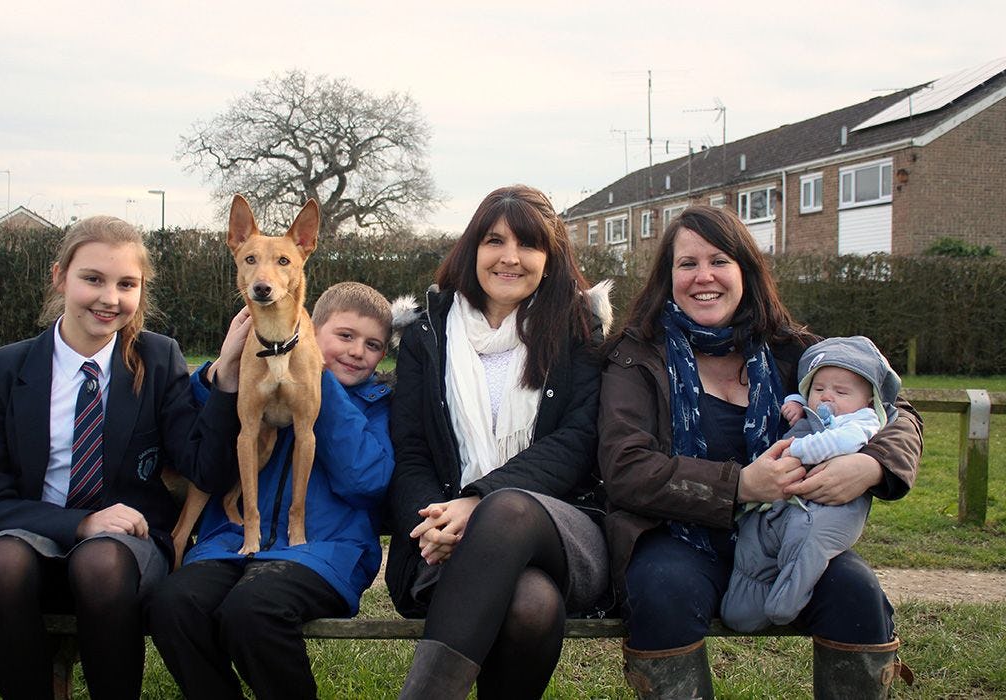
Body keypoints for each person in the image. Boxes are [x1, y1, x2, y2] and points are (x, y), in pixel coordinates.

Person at [597, 205, 921, 699]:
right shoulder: (636, 356)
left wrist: (872, 465)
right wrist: (741, 485)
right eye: (687, 264)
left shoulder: (794, 351)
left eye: (719, 261)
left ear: (745, 270)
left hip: (785, 531)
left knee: (856, 594)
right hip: (677, 535)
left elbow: (899, 412)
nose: (704, 276)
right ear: (669, 277)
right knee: (662, 591)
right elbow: (626, 468)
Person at [0, 216, 219, 699]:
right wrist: (81, 522)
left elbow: (204, 468)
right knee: (1, 561)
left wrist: (228, 384)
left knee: (99, 561)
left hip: (127, 554)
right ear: (60, 277)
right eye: (92, 279)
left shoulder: (158, 359)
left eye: (126, 284)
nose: (109, 298)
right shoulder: (3, 371)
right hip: (33, 540)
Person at [387, 185, 612, 699]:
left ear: (550, 260)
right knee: (531, 606)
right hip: (441, 541)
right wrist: (432, 525)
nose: (510, 257)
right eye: (495, 240)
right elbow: (412, 451)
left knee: (507, 510)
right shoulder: (428, 336)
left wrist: (478, 502)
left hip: (561, 527)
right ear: (473, 250)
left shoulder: (578, 332)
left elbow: (577, 443)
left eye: (528, 245)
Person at [146, 281, 396, 699]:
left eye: (372, 345)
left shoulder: (377, 406)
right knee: (173, 605)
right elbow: (195, 434)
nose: (357, 352)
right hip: (229, 542)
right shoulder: (257, 379)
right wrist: (220, 370)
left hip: (323, 552)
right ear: (308, 328)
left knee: (253, 610)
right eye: (346, 336)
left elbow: (365, 480)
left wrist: (316, 380)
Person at [721, 335, 902, 632]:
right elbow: (802, 393)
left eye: (840, 391)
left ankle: (787, 601)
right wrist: (795, 402)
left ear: (868, 399)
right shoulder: (816, 402)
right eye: (819, 389)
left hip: (828, 508)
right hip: (780, 502)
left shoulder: (862, 419)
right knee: (755, 540)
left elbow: (861, 431)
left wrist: (868, 464)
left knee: (809, 542)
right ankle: (745, 605)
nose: (827, 397)